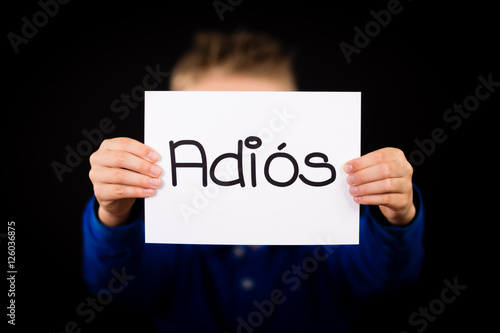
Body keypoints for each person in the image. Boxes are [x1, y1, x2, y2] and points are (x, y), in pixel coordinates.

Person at [83, 30, 424, 332]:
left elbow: (385, 277)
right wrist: (115, 215)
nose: (247, 140)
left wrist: (394, 215)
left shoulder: (328, 218)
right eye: (219, 120)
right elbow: (119, 287)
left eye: (267, 119)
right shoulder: (166, 228)